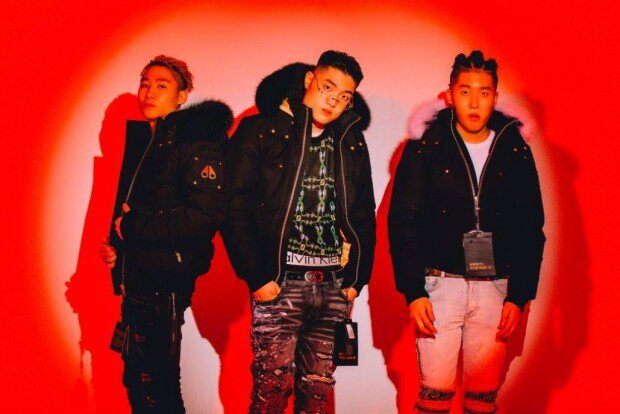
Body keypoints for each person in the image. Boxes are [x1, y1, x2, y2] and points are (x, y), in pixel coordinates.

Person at [388, 50, 545, 413]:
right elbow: (404, 219)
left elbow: (530, 226)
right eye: (465, 91)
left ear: (495, 96)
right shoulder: (426, 145)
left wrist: (519, 295)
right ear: (450, 95)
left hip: (496, 288)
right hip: (439, 286)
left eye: (484, 92)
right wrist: (414, 291)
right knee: (434, 398)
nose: (474, 102)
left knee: (482, 400)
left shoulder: (514, 147)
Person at [223, 50, 375, 413]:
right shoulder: (261, 130)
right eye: (328, 87)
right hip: (281, 283)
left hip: (334, 287)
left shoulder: (351, 140)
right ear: (309, 80)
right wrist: (257, 275)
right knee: (271, 392)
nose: (333, 101)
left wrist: (356, 279)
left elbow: (363, 213)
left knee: (319, 395)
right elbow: (233, 206)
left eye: (344, 96)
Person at [100, 55, 232, 413]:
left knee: (157, 386)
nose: (149, 92)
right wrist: (120, 252)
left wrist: (132, 227)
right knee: (137, 380)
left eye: (162, 85)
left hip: (163, 283)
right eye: (144, 83)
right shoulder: (149, 143)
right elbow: (140, 211)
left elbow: (204, 216)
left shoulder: (194, 146)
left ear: (182, 96)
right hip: (140, 279)